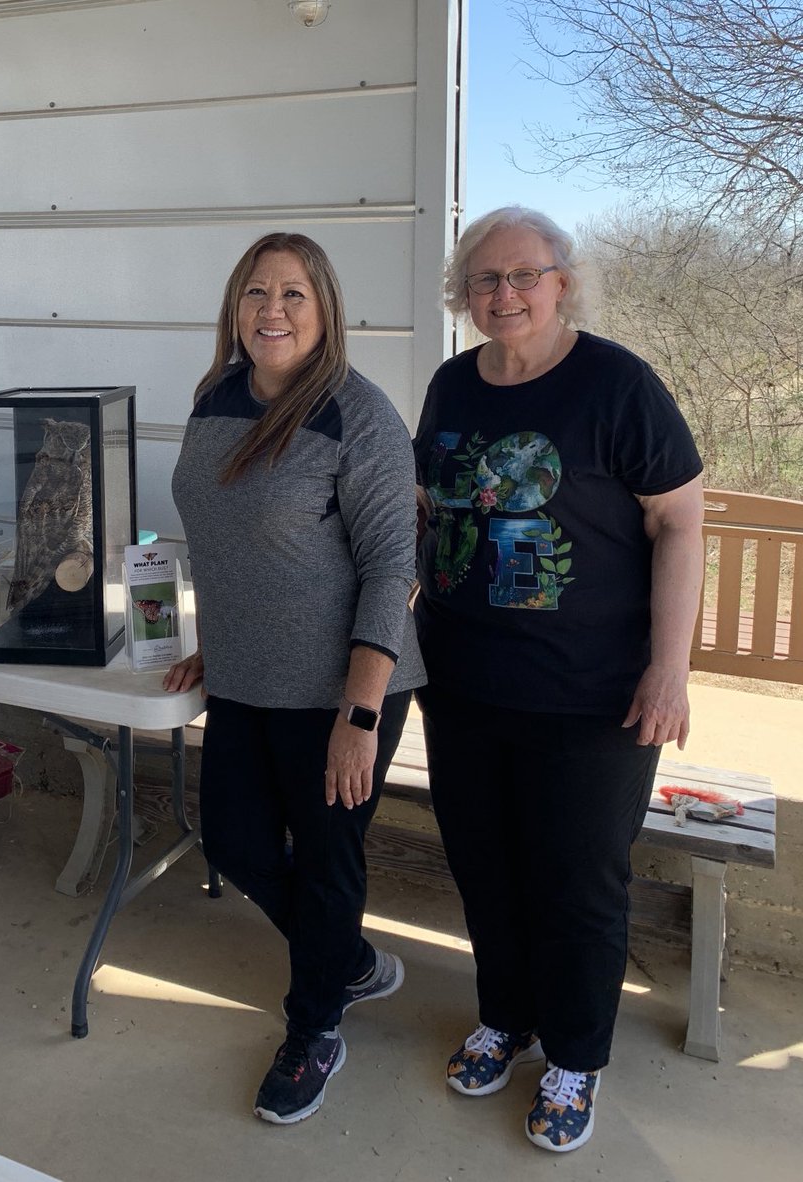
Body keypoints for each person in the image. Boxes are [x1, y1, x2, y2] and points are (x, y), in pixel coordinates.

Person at [413, 207, 704, 1153]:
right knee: (485, 865)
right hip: (460, 687)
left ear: (562, 282)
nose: (505, 295)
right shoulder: (452, 385)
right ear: (465, 295)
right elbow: (428, 515)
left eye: (524, 276)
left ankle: (576, 1058)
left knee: (578, 881)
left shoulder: (619, 385)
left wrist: (670, 669)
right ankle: (509, 1016)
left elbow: (680, 524)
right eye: (486, 281)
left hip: (591, 698)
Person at [163, 232, 425, 1124]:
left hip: (342, 690)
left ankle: (313, 1029)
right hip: (244, 675)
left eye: (293, 296)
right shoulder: (215, 398)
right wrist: (218, 634)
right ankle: (345, 958)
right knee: (232, 839)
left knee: (324, 861)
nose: (272, 311)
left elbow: (395, 564)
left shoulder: (360, 414)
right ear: (235, 306)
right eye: (256, 293)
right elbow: (221, 534)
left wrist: (359, 712)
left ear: (326, 312)